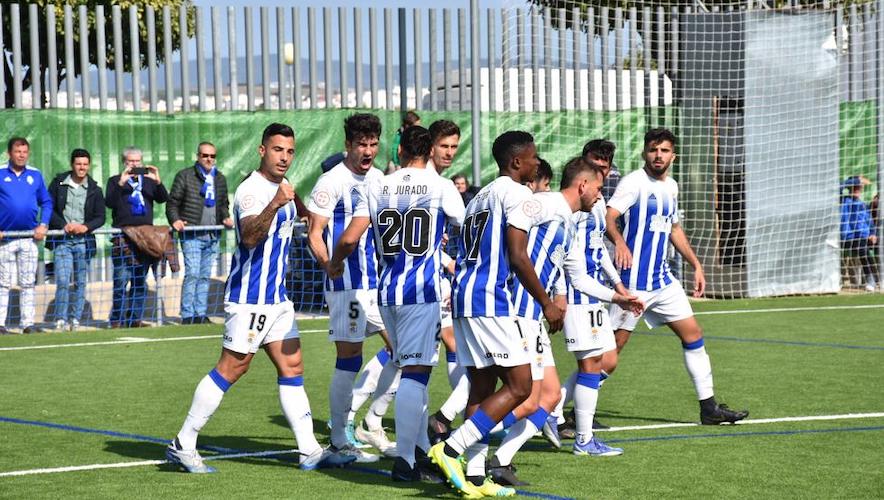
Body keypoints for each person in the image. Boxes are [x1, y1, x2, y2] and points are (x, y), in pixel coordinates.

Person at [166, 123, 355, 473]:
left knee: (293, 366)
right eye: (278, 149)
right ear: (262, 151)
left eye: (290, 151)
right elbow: (250, 237)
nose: (284, 157)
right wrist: (277, 202)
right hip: (250, 299)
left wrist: (299, 204)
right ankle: (183, 442)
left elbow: (303, 216)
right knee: (232, 367)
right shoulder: (252, 190)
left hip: (277, 300)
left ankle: (309, 449)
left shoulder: (281, 188)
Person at [487, 156, 640, 486]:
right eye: (598, 189)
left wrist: (618, 296)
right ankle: (455, 440)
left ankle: (497, 458)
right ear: (583, 185)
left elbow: (579, 277)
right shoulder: (542, 204)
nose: (600, 196)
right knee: (520, 394)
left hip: (533, 317)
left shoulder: (570, 224)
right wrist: (545, 300)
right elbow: (512, 247)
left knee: (548, 396)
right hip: (512, 311)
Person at [428, 130, 565, 498]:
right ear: (517, 162)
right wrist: (547, 302)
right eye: (534, 158)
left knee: (483, 387)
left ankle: (473, 477)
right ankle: (451, 449)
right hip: (491, 299)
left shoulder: (480, 196)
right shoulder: (517, 193)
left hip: (464, 295)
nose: (537, 163)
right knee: (520, 387)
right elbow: (519, 255)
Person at [329, 125, 465, 482]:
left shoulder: (378, 185)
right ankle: (405, 460)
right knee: (416, 375)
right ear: (428, 152)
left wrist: (335, 262)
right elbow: (467, 227)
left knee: (409, 371)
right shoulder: (441, 186)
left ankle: (416, 450)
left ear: (401, 149)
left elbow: (349, 238)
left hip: (387, 291)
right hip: (422, 293)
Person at [604, 128, 748, 425]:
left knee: (693, 335)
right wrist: (619, 242)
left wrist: (696, 264)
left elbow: (674, 229)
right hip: (633, 283)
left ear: (673, 155)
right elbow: (609, 216)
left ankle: (709, 408)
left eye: (665, 150)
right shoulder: (633, 183)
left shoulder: (671, 186)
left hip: (663, 281)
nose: (659, 156)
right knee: (609, 353)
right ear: (645, 152)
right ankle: (561, 413)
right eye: (654, 150)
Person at [307, 113, 386, 463]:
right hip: (347, 287)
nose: (367, 151)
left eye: (372, 144)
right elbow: (314, 233)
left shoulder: (381, 178)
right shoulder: (331, 181)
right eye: (361, 144)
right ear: (348, 146)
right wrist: (329, 266)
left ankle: (367, 419)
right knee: (349, 359)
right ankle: (340, 437)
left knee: (411, 352)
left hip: (378, 284)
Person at [166, 142, 234, 325]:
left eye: (212, 156)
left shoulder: (219, 178)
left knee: (204, 276)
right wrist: (175, 220)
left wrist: (226, 217)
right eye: (205, 155)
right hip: (192, 234)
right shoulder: (185, 176)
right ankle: (188, 315)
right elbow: (172, 203)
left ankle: (200, 313)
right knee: (193, 274)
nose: (209, 159)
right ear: (198, 156)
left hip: (212, 235)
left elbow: (223, 205)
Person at [105, 146, 168, 328]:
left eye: (137, 161)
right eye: (131, 161)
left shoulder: (148, 181)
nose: (134, 164)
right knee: (120, 282)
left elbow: (163, 198)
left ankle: (134, 319)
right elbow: (109, 202)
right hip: (123, 237)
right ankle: (116, 319)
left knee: (139, 282)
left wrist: (158, 181)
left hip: (144, 237)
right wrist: (121, 183)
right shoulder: (115, 180)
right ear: (124, 162)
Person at [46, 148, 106, 332]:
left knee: (80, 281)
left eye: (85, 164)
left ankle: (75, 319)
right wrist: (63, 225)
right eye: (78, 164)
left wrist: (86, 227)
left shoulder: (95, 189)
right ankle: (60, 319)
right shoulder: (58, 184)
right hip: (62, 241)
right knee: (63, 280)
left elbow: (100, 216)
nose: (82, 167)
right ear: (72, 164)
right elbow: (49, 208)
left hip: (83, 241)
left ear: (89, 166)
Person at [0, 137, 52, 335]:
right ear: (9, 153)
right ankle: (0, 324)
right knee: (3, 283)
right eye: (17, 151)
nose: (21, 155)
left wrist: (43, 224)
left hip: (29, 238)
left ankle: (27, 324)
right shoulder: (0, 173)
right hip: (4, 239)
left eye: (24, 152)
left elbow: (46, 202)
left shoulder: (35, 175)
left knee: (28, 282)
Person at [840, 176, 879, 291]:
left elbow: (870, 223)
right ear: (850, 187)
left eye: (860, 187)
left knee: (872, 244)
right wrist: (856, 180)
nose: (858, 189)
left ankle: (876, 278)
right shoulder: (843, 201)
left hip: (865, 237)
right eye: (856, 187)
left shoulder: (863, 205)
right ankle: (872, 278)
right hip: (849, 238)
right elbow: (839, 187)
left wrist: (873, 233)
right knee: (862, 247)